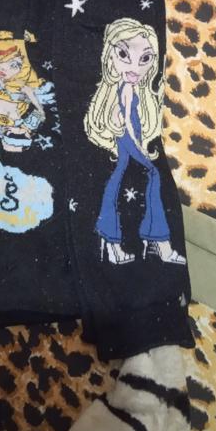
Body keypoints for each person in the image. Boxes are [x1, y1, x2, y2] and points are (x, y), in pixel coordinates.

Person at [85, 18, 187, 265]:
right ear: (109, 54)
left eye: (145, 58)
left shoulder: (136, 90)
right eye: (123, 54)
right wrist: (141, 149)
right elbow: (128, 127)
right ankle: (152, 242)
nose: (135, 67)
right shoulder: (123, 90)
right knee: (149, 176)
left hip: (128, 144)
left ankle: (124, 243)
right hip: (127, 142)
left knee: (120, 185)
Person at [0, 30, 55, 152]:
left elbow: (37, 107)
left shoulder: (18, 85)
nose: (3, 67)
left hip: (14, 114)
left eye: (14, 65)